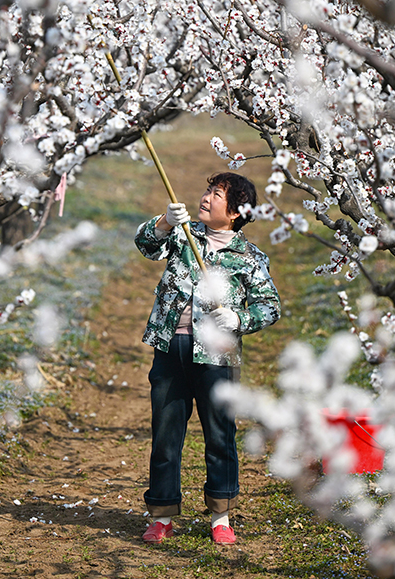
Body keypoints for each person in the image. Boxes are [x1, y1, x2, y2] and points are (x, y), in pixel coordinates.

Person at [135, 172, 280, 545]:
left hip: (217, 357)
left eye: (217, 195)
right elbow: (146, 245)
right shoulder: (184, 237)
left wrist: (239, 319)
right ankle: (162, 514)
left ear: (234, 213)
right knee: (166, 436)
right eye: (207, 191)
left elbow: (270, 306)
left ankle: (221, 516)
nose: (206, 198)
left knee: (219, 435)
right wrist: (166, 222)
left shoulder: (248, 258)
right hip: (171, 349)